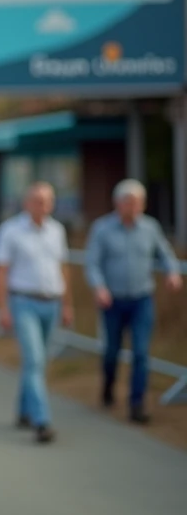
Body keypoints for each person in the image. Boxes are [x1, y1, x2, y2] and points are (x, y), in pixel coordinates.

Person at [84, 179, 182, 424]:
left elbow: (165, 253)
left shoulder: (150, 228)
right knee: (111, 351)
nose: (134, 207)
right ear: (118, 203)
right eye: (129, 202)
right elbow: (92, 263)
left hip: (141, 299)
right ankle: (108, 386)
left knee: (140, 352)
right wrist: (99, 288)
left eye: (139, 203)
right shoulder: (102, 229)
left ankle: (137, 404)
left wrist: (172, 271)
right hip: (112, 300)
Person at [0, 182, 73, 444]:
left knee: (38, 361)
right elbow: (1, 270)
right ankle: (42, 420)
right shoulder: (11, 231)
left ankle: (24, 409)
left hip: (51, 301)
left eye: (48, 200)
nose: (43, 205)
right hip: (23, 301)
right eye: (38, 200)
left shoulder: (56, 230)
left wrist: (68, 303)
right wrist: (3, 307)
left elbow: (63, 267)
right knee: (35, 359)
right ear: (27, 203)